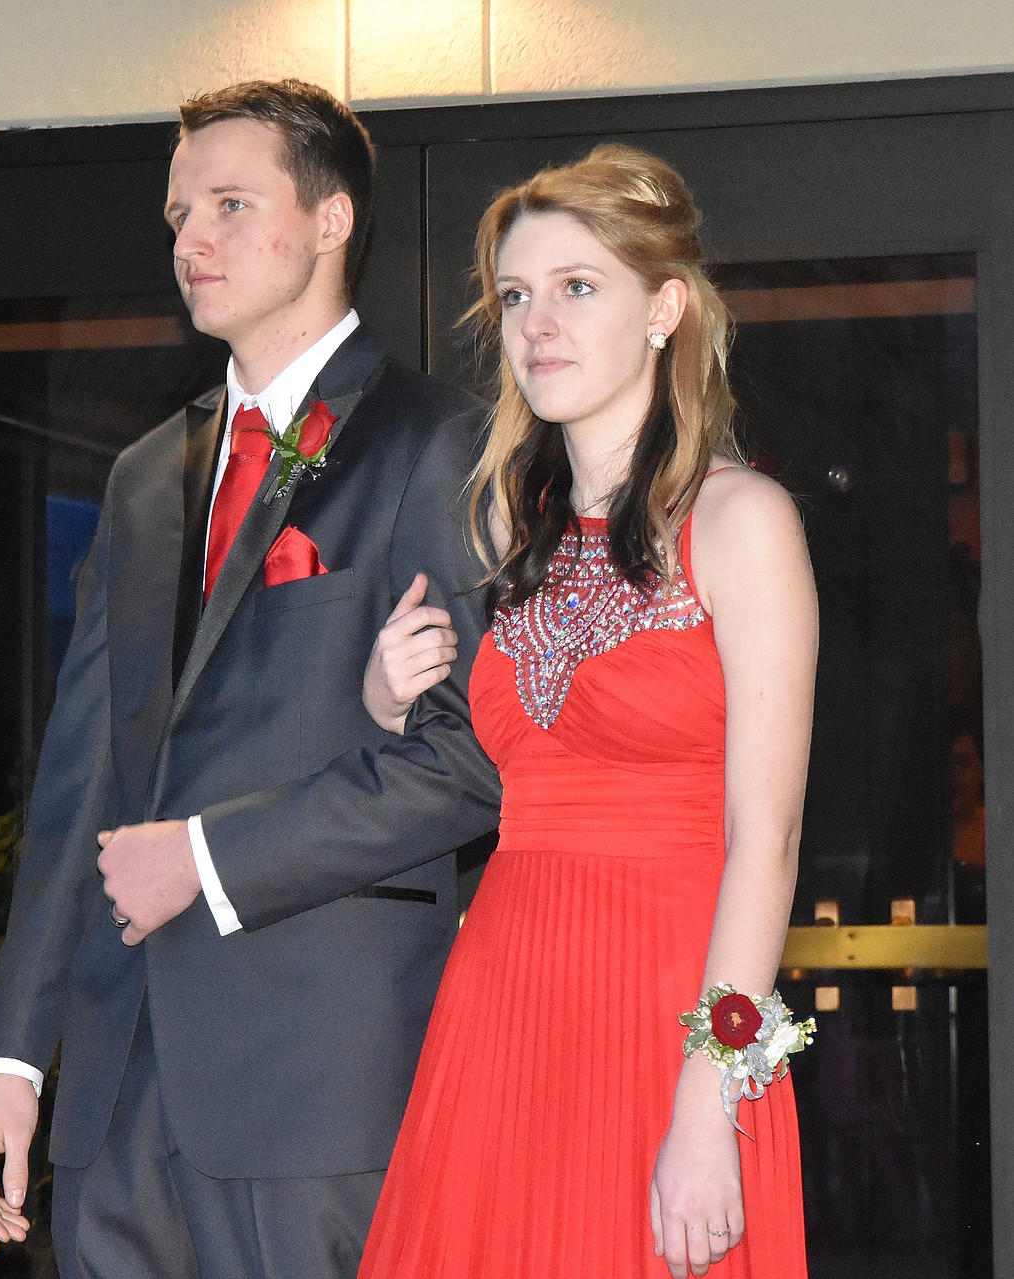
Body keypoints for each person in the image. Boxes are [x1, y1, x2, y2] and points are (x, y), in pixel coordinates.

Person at [0, 79, 500, 1279]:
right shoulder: (149, 473)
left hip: (314, 1086)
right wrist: (12, 1067)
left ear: (331, 219)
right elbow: (80, 779)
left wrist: (201, 858)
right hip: (116, 1087)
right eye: (179, 214)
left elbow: (466, 765)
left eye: (230, 204)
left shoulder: (434, 444)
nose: (190, 239)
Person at [357, 144, 817, 1278]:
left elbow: (769, 838)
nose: (537, 325)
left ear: (665, 309)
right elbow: (487, 778)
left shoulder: (745, 519)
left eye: (578, 287)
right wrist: (385, 698)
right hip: (503, 1007)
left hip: (673, 1010)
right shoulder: (509, 540)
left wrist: (712, 1100)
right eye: (516, 296)